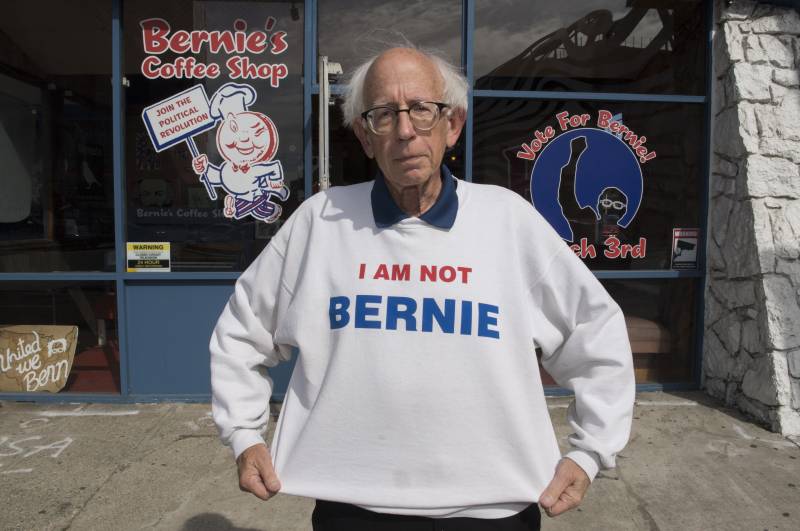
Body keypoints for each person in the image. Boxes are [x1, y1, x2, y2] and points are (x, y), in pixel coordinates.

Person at [210, 46, 635, 530]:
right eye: (384, 114)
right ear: (365, 137)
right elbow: (241, 335)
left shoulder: (508, 221)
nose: (405, 130)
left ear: (452, 125)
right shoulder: (319, 223)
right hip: (353, 507)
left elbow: (594, 331)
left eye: (421, 110)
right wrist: (245, 435)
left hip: (492, 508)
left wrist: (590, 452)